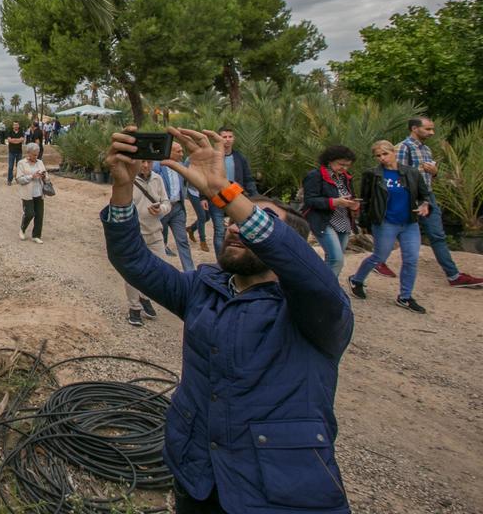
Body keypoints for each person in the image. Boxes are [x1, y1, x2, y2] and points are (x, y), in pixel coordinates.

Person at [103, 127, 353, 514]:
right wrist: (122, 187)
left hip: (280, 495)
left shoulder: (316, 308)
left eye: (250, 219)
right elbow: (133, 260)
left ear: (288, 246)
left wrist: (223, 190)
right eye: (232, 219)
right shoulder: (204, 288)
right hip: (198, 479)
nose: (234, 226)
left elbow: (298, 262)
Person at [391, 117, 483, 288]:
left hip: (427, 195)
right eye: (427, 129)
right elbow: (398, 176)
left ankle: (453, 276)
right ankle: (376, 263)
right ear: (414, 128)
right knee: (393, 231)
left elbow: (428, 177)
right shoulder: (403, 147)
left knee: (437, 235)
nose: (432, 133)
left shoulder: (426, 149)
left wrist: (434, 172)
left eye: (432, 129)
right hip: (410, 197)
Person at [348, 140, 432, 312]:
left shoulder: (411, 173)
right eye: (378, 156)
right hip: (385, 222)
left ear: (394, 152)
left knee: (411, 259)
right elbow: (366, 199)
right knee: (379, 257)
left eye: (385, 154)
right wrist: (364, 221)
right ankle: (356, 279)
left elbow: (425, 194)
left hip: (409, 223)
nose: (382, 158)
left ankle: (405, 297)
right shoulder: (372, 175)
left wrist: (425, 204)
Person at [302, 145, 358, 277]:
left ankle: (322, 283)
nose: (344, 168)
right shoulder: (316, 176)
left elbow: (350, 195)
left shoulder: (346, 177)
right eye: (341, 164)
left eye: (347, 165)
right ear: (329, 160)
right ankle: (327, 287)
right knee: (336, 259)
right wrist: (334, 202)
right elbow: (309, 200)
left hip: (343, 221)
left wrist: (353, 205)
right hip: (323, 221)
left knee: (333, 258)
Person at [127, 160, 169, 326]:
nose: (145, 165)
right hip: (135, 233)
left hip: (155, 232)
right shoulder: (128, 179)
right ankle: (134, 308)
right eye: (142, 161)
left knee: (160, 268)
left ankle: (144, 296)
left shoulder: (157, 179)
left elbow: (166, 202)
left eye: (149, 162)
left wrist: (161, 209)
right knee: (132, 271)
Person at [210, 126, 258, 255]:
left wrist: (255, 196)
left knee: (239, 229)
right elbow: (206, 178)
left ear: (234, 139)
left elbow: (248, 178)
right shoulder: (213, 158)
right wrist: (203, 197)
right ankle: (221, 260)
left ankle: (235, 255)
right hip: (216, 197)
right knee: (220, 231)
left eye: (230, 137)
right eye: (224, 137)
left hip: (236, 198)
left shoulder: (240, 158)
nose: (227, 139)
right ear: (219, 139)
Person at [155, 142, 195, 271]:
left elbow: (186, 184)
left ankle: (190, 272)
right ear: (169, 151)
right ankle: (161, 272)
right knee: (160, 242)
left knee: (183, 241)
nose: (181, 154)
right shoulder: (157, 166)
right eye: (178, 151)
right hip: (162, 209)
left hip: (177, 209)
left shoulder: (181, 167)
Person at [15, 143, 47, 244]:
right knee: (29, 213)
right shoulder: (21, 163)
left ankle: (36, 236)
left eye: (37, 154)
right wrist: (32, 176)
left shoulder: (40, 162)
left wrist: (44, 176)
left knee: (39, 215)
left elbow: (47, 176)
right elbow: (19, 179)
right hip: (27, 193)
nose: (36, 156)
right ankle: (22, 229)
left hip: (39, 192)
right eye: (34, 154)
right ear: (28, 153)